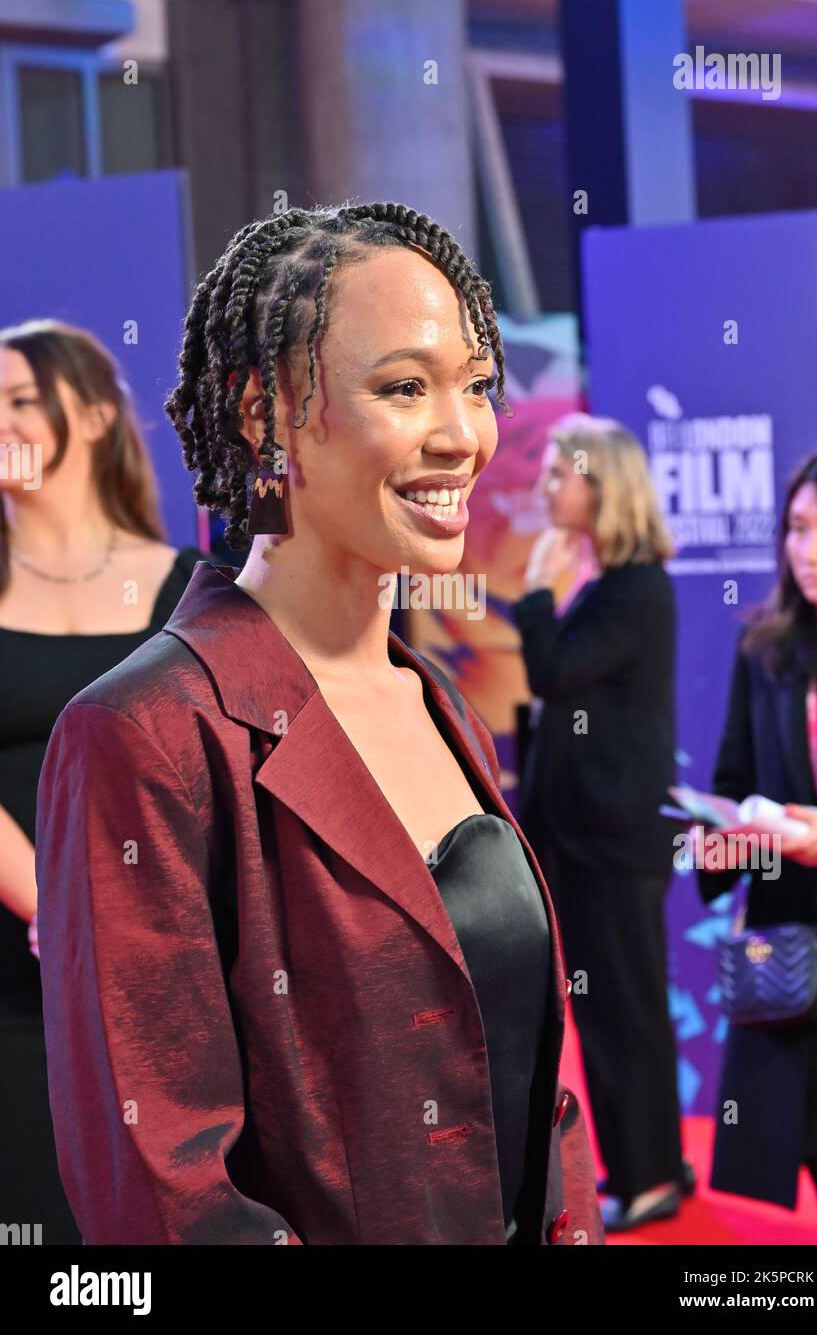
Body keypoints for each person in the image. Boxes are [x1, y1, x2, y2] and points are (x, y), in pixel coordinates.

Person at [34, 203, 604, 1246]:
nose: (462, 435)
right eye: (402, 387)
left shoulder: (439, 704)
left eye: (476, 387)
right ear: (263, 412)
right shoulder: (145, 733)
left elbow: (529, 1090)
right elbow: (163, 1192)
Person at [0, 320, 209, 1244]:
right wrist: (56, 904)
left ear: (89, 415)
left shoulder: (187, 586)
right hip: (18, 976)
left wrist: (114, 922)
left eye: (16, 399)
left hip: (156, 971)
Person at [512, 414, 690, 1232]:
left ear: (600, 483)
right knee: (618, 1011)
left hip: (612, 845)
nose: (545, 487)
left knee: (626, 1013)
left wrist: (538, 593)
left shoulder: (635, 588)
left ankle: (650, 1176)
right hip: (586, 842)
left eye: (558, 473)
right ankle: (649, 1164)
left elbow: (552, 672)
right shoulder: (612, 584)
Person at [695, 447, 817, 1226]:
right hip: (797, 958)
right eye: (798, 528)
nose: (810, 549)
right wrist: (721, 838)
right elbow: (732, 780)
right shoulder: (763, 650)